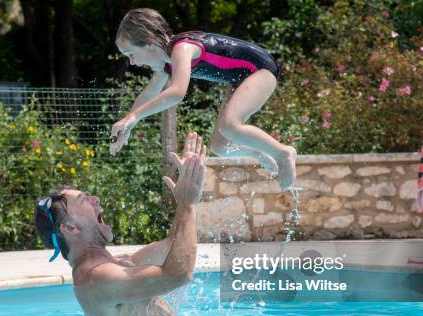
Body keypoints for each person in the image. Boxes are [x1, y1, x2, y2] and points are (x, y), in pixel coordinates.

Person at [34, 132, 207, 316]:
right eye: (84, 200)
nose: (96, 199)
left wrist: (188, 193)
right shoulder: (95, 279)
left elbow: (175, 245)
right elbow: (179, 273)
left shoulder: (119, 264)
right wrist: (188, 206)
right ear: (70, 228)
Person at [110, 8, 297, 191]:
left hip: (260, 70)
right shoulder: (165, 65)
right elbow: (150, 92)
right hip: (240, 79)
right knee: (221, 146)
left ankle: (283, 153)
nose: (132, 62)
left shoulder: (181, 48)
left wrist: (135, 116)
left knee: (230, 125)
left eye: (130, 54)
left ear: (149, 42)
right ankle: (259, 153)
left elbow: (177, 92)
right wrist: (129, 122)